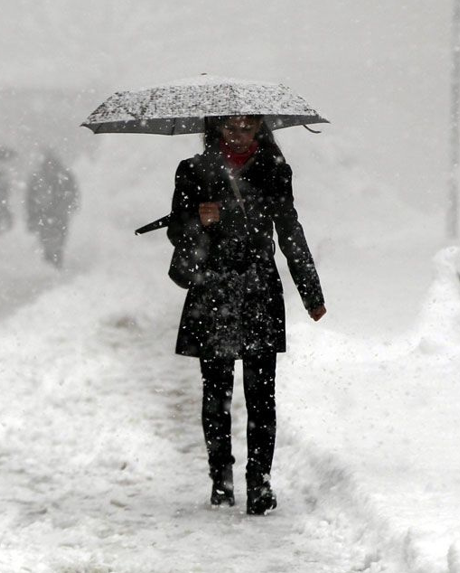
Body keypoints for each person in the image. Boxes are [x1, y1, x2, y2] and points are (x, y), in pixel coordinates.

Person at [167, 115, 326, 515]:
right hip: (212, 287)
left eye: (246, 127)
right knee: (216, 394)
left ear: (260, 129)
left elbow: (289, 229)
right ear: (216, 129)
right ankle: (220, 479)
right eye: (230, 127)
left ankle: (260, 484)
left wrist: (310, 291)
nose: (237, 134)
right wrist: (197, 221)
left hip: (259, 288)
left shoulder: (274, 170)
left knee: (261, 396)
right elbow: (176, 229)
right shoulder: (193, 170)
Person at [25, 150, 79, 268]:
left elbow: (72, 193)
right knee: (47, 241)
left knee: (58, 241)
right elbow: (30, 199)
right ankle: (50, 264)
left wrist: (67, 206)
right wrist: (32, 217)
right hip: (45, 215)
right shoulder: (39, 178)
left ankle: (55, 263)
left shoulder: (64, 176)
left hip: (58, 215)